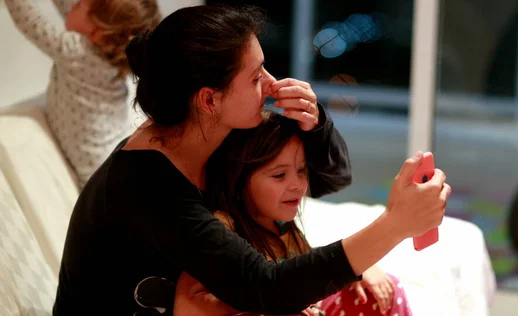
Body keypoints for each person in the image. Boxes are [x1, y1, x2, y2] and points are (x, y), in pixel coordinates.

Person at [52, 5, 451, 316]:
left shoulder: (217, 133)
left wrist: (315, 124)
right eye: (256, 75)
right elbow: (264, 286)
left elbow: (330, 179)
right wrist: (395, 226)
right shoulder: (146, 184)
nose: (272, 85)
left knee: (381, 296)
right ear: (209, 99)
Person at [174, 111, 412, 316]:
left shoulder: (282, 225)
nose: (298, 185)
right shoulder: (222, 227)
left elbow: (313, 272)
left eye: (301, 170)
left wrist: (358, 270)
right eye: (279, 175)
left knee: (385, 290)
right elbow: (189, 304)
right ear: (239, 180)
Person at [5, 0, 162, 188]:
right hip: (120, 157)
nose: (71, 5)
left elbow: (30, 21)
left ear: (97, 33)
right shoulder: (117, 56)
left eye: (78, 3)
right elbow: (76, 14)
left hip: (98, 174)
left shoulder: (76, 51)